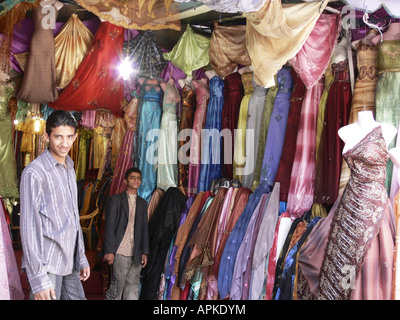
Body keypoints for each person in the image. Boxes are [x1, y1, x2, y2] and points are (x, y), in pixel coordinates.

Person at [20, 110, 90, 300]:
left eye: (69, 137)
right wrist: (37, 277)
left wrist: (81, 256)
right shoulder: (34, 172)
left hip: (70, 260)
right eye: (58, 137)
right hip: (47, 263)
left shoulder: (69, 166)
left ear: (75, 137)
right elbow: (29, 227)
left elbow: (73, 216)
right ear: (46, 136)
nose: (64, 143)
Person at [103, 167, 149, 300]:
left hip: (136, 252)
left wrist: (144, 252)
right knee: (117, 287)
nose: (136, 180)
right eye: (132, 178)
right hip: (120, 250)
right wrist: (109, 251)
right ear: (125, 180)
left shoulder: (142, 203)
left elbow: (144, 229)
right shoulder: (115, 200)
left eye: (138, 178)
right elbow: (110, 227)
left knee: (133, 287)